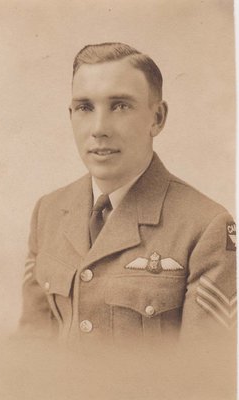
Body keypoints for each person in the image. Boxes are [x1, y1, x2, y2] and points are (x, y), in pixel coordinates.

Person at [19, 42, 236, 350]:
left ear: (157, 118)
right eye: (85, 108)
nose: (99, 128)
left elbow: (208, 376)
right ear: (71, 115)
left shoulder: (205, 226)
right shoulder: (49, 211)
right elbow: (31, 352)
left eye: (120, 106)